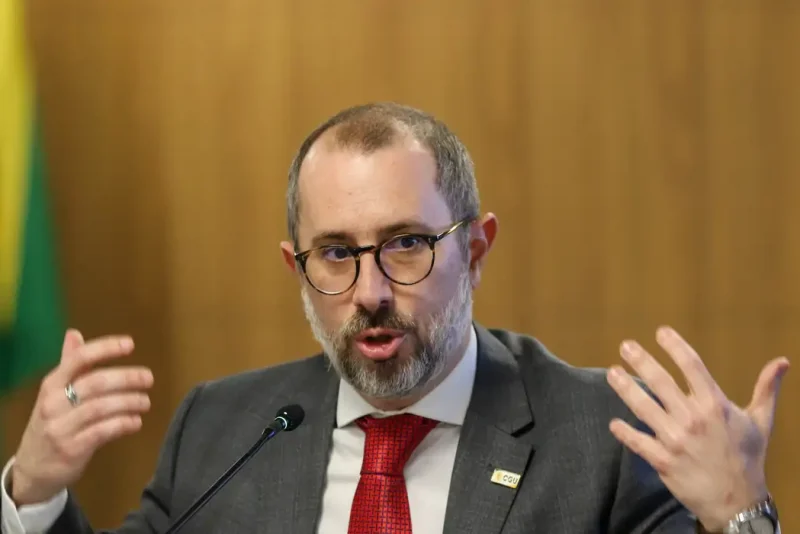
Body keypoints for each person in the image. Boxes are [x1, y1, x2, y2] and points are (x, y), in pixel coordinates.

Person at [1, 102, 788, 534]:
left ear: (475, 250)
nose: (371, 290)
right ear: (297, 269)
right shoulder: (224, 430)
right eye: (335, 253)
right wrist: (32, 494)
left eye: (406, 244)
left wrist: (738, 516)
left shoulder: (601, 440)